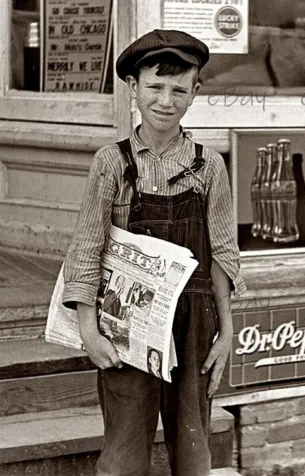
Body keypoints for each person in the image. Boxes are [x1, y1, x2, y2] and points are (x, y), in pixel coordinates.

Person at [61, 28, 246, 476]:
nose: (166, 100)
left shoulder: (209, 166)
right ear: (133, 88)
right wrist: (89, 328)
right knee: (124, 449)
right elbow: (86, 248)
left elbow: (223, 252)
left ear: (195, 93)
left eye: (179, 90)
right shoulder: (112, 162)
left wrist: (226, 332)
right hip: (126, 324)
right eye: (155, 87)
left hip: (194, 323)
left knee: (193, 446)